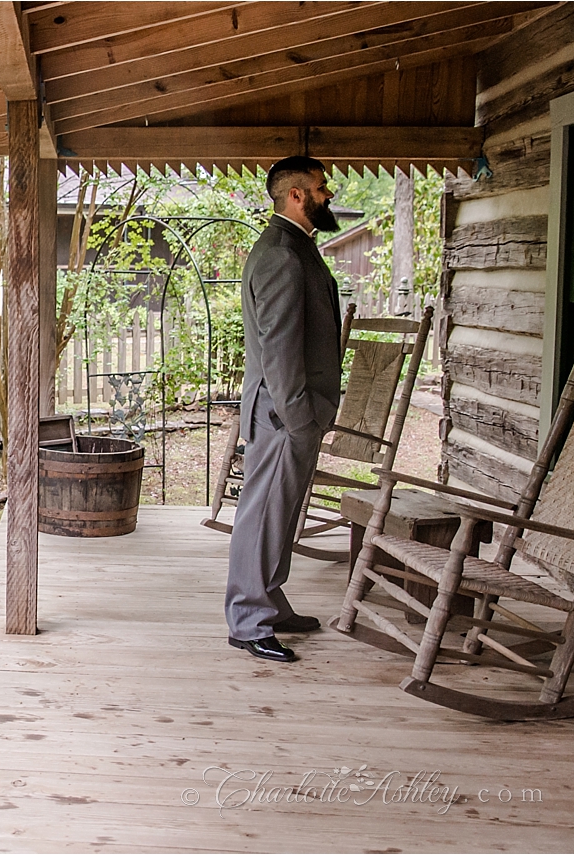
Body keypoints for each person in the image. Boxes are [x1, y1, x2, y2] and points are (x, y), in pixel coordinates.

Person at [225, 155, 342, 664]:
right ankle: (250, 620)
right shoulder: (280, 254)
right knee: (262, 514)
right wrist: (298, 417)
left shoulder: (295, 247)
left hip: (293, 409)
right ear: (296, 194)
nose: (328, 196)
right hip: (283, 411)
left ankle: (270, 600)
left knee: (280, 512)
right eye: (322, 188)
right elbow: (277, 349)